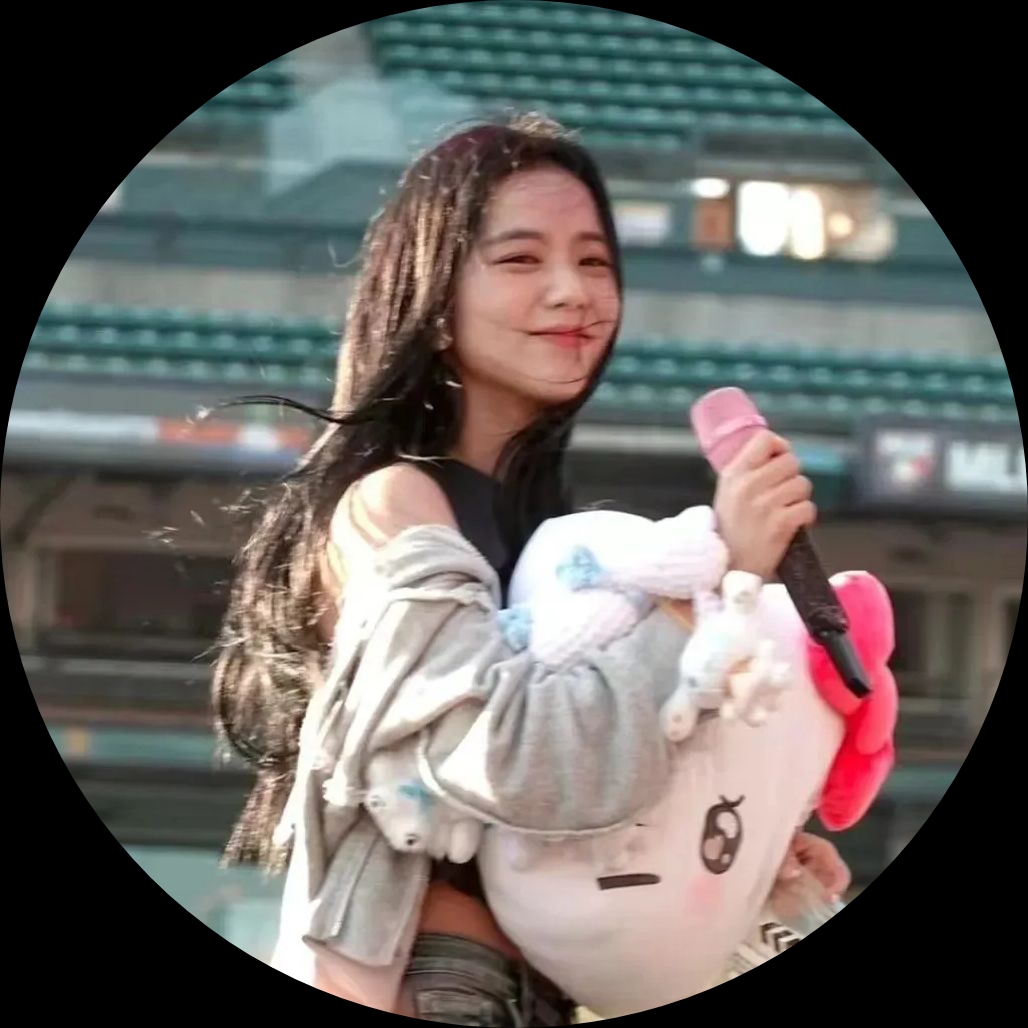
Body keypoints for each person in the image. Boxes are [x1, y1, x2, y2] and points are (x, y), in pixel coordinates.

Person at [212, 113, 849, 1023]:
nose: (572, 292)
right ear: (433, 300)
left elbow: (600, 782)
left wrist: (748, 858)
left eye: (594, 261)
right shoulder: (391, 506)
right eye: (521, 259)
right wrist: (721, 582)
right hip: (440, 983)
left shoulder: (557, 534)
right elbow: (513, 763)